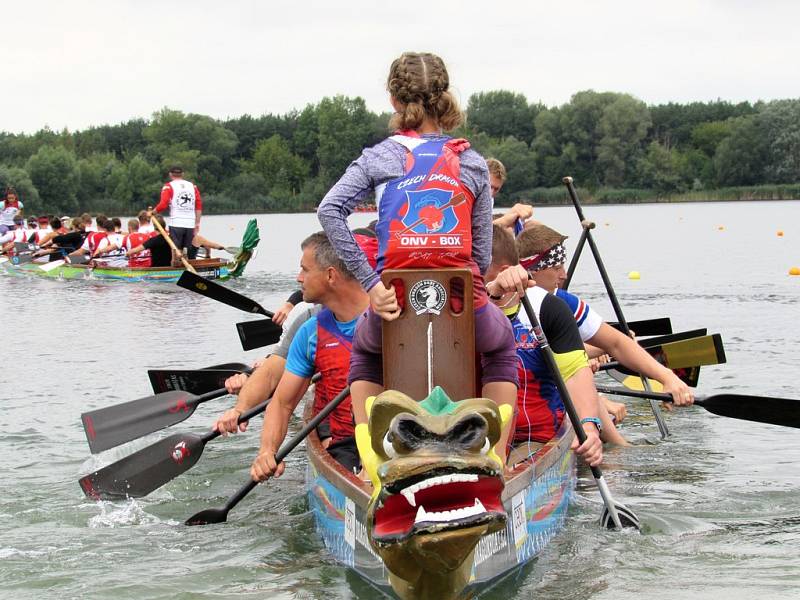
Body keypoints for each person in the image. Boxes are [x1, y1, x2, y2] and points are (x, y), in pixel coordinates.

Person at [317, 51, 519, 462]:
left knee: (365, 354)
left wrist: (373, 287)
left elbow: (329, 210)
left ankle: (374, 460)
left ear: (393, 101)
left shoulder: (379, 157)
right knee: (502, 350)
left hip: (392, 306)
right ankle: (494, 456)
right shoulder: (473, 163)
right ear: (445, 99)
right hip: (466, 306)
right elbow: (479, 258)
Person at [515, 222, 694, 407]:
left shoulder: (564, 301)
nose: (564, 275)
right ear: (533, 269)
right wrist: (598, 351)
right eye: (556, 268)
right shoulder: (502, 301)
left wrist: (667, 377)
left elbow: (617, 343)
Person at [250, 232, 370, 481]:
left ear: (330, 276)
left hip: (399, 440)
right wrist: (267, 451)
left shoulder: (392, 319)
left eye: (305, 270)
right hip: (347, 448)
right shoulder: (311, 332)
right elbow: (282, 404)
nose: (299, 278)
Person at [486, 225, 616, 453]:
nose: (563, 275)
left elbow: (576, 371)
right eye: (557, 267)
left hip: (530, 438)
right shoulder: (457, 304)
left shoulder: (550, 306)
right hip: (474, 437)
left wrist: (589, 426)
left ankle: (615, 443)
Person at [153, 166, 203, 260]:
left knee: (176, 249)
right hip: (190, 224)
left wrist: (153, 212)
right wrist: (197, 223)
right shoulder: (193, 186)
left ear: (170, 174)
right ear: (182, 174)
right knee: (186, 250)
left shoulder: (168, 186)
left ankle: (176, 267)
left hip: (176, 223)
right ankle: (186, 264)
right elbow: (199, 205)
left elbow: (163, 204)